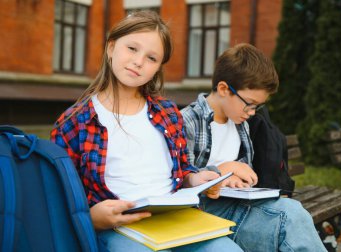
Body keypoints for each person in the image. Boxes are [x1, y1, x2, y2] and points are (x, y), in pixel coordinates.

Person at [50, 11, 242, 252]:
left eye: (151, 58)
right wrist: (91, 217)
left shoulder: (168, 113)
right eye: (132, 48)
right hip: (119, 229)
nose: (139, 61)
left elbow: (182, 170)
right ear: (111, 48)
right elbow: (58, 197)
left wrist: (195, 179)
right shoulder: (74, 122)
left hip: (176, 220)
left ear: (158, 68)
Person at [181, 43, 327, 252]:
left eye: (257, 106)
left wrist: (237, 179)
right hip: (203, 215)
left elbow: (241, 170)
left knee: (293, 211)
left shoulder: (240, 124)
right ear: (223, 89)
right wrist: (223, 170)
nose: (252, 112)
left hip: (237, 206)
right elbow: (179, 179)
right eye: (249, 103)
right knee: (288, 219)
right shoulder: (187, 121)